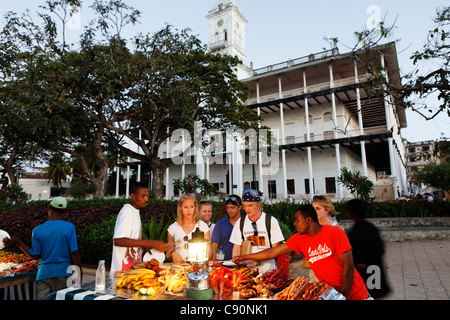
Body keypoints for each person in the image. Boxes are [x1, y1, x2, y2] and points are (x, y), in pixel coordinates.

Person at [233, 204, 370, 300]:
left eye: (297, 220)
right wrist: (244, 257)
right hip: (331, 294)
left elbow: (348, 266)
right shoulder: (299, 239)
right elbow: (272, 253)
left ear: (309, 220)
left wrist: (344, 295)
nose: (294, 224)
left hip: (356, 294)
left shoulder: (335, 232)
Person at [3, 197, 83, 300]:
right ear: (64, 211)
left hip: (44, 274)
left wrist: (19, 243)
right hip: (63, 273)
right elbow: (74, 252)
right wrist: (79, 271)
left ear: (49, 208)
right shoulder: (69, 227)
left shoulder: (37, 230)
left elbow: (35, 255)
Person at [110, 183, 171, 276]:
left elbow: (131, 237)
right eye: (143, 196)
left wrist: (143, 246)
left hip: (132, 272)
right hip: (121, 274)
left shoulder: (135, 211)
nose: (146, 199)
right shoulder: (127, 211)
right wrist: (150, 243)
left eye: (147, 196)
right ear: (133, 196)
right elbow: (118, 240)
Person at [229, 189, 284, 273]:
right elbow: (236, 246)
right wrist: (237, 264)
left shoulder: (271, 221)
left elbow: (275, 249)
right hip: (247, 271)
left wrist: (257, 262)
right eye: (245, 206)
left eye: (250, 206)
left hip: (268, 270)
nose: (247, 209)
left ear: (258, 204)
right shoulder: (240, 222)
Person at [345, 199, 391, 299]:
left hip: (368, 276)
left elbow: (359, 262)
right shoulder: (370, 227)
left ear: (351, 213)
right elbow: (381, 249)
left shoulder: (357, 231)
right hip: (376, 270)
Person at [167, 194, 210, 263]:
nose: (189, 210)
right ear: (180, 207)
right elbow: (168, 253)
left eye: (191, 207)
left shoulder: (203, 227)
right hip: (178, 269)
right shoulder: (173, 228)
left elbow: (208, 252)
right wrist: (172, 253)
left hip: (197, 268)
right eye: (186, 207)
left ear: (195, 207)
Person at [210, 195, 243, 260]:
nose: (229, 210)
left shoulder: (246, 223)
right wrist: (215, 264)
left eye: (233, 208)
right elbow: (214, 246)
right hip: (224, 265)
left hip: (242, 264)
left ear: (240, 207)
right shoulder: (220, 224)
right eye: (227, 207)